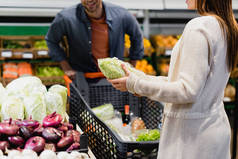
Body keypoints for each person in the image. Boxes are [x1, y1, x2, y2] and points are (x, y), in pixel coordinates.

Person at [108, 0, 238, 158]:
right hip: (212, 130)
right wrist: (141, 80)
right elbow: (188, 83)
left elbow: (187, 91)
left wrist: (136, 84)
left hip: (191, 138)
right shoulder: (225, 27)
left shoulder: (198, 27)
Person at [45, 0, 144, 80]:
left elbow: (137, 36)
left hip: (114, 79)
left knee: (115, 105)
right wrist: (66, 67)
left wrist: (132, 65)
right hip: (81, 78)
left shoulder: (121, 15)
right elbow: (51, 40)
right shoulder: (66, 18)